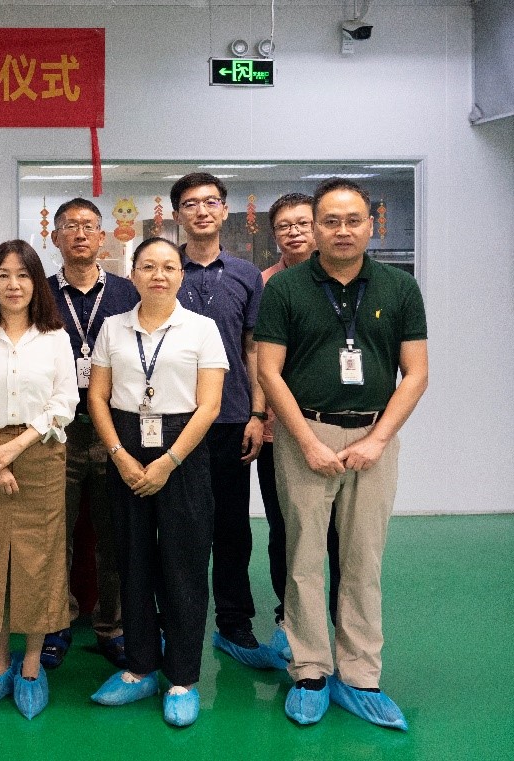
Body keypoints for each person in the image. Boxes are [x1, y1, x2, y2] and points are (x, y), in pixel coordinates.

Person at [257, 179, 427, 731]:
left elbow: (416, 373)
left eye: (354, 220)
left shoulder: (400, 287)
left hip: (375, 436)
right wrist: (305, 440)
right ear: (316, 227)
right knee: (303, 557)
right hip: (304, 433)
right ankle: (309, 671)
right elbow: (269, 371)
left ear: (370, 224)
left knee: (363, 560)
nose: (343, 230)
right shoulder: (285, 288)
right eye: (331, 221)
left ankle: (360, 676)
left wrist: (378, 440)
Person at [87, 237, 228, 728]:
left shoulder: (202, 329)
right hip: (125, 443)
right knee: (132, 560)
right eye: (148, 266)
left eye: (169, 266)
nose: (159, 275)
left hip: (183, 448)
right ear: (133, 274)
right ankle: (140, 666)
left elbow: (210, 404)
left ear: (180, 275)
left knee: (183, 564)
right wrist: (119, 456)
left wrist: (169, 461)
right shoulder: (113, 327)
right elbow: (98, 397)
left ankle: (182, 677)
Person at [0, 240, 77, 719]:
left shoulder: (55, 337)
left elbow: (64, 403)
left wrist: (16, 448)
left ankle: (30, 665)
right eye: (2, 274)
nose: (13, 284)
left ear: (36, 282)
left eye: (23, 275)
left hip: (39, 454)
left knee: (37, 562)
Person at [169, 172, 280, 670]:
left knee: (232, 528)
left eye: (211, 202)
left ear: (224, 210)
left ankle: (233, 622)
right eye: (191, 203)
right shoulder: (162, 269)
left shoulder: (246, 275)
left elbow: (253, 349)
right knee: (176, 528)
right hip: (171, 420)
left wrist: (257, 412)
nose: (202, 211)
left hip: (232, 418)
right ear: (178, 214)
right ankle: (174, 623)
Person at [42, 198, 139, 670]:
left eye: (88, 226)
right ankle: (55, 623)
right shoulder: (39, 293)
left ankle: (111, 626)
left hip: (113, 429)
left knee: (113, 534)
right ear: (55, 237)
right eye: (69, 226)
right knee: (53, 533)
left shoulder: (128, 292)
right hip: (54, 431)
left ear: (102, 237)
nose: (79, 234)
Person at [257, 194, 340, 662]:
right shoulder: (266, 284)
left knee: (339, 538)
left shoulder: (345, 285)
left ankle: (338, 625)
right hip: (279, 432)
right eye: (284, 226)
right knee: (285, 531)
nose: (294, 232)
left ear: (318, 228)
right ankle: (287, 621)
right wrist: (258, 416)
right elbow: (258, 359)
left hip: (340, 429)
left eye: (302, 223)